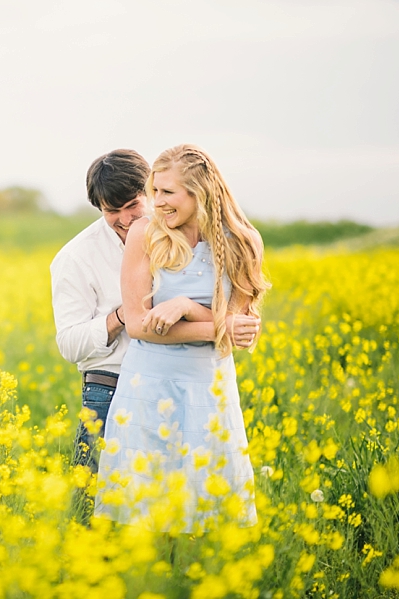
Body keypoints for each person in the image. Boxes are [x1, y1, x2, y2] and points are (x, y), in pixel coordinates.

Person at [94, 144, 269, 532]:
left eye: (167, 193)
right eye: (154, 191)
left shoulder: (243, 241)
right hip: (148, 386)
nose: (156, 202)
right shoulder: (145, 233)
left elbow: (236, 331)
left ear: (199, 192)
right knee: (145, 519)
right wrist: (218, 325)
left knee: (206, 516)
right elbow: (139, 325)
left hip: (208, 387)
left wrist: (185, 306)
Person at [50, 149, 150, 479]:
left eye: (133, 205)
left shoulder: (177, 236)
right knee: (93, 513)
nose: (125, 219)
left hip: (169, 386)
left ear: (149, 191)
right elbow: (69, 343)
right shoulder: (76, 258)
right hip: (109, 389)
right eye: (112, 211)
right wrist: (122, 316)